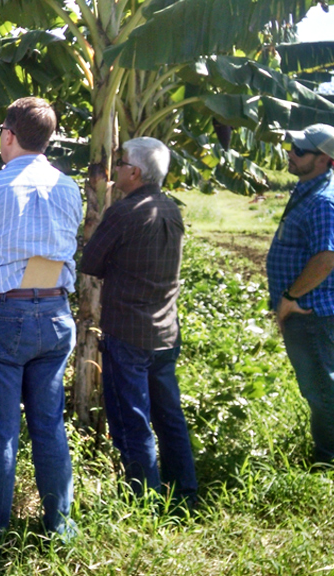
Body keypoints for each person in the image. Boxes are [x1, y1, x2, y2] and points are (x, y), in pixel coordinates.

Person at [0, 97, 82, 543]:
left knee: (0, 434)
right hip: (57, 310)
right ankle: (60, 527)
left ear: (8, 136)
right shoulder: (69, 187)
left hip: (3, 312)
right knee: (49, 425)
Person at [80, 137, 198, 505]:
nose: (115, 170)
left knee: (132, 421)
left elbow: (91, 264)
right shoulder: (171, 210)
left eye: (120, 164)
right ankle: (185, 496)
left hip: (127, 332)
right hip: (164, 331)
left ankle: (144, 503)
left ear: (135, 172)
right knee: (169, 417)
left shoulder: (125, 212)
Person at [267, 123, 334, 467]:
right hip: (305, 308)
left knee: (322, 389)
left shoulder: (325, 201)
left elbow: (326, 258)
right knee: (316, 386)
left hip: (312, 310)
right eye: (293, 146)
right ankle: (330, 455)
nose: (291, 152)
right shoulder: (309, 186)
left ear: (323, 159)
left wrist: (290, 297)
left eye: (300, 150)